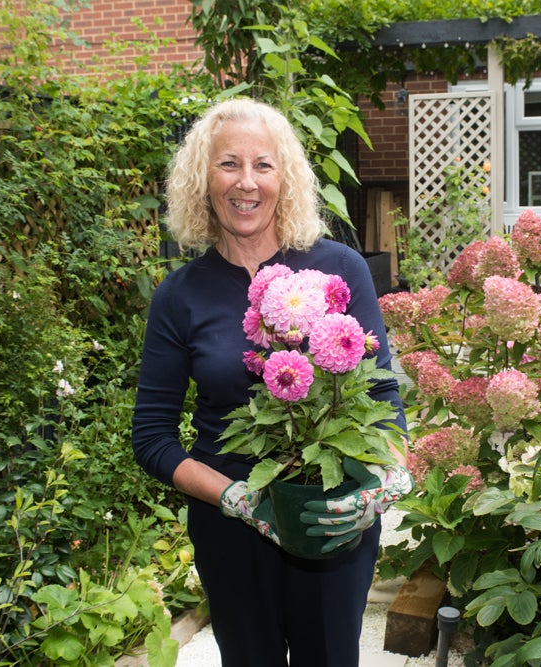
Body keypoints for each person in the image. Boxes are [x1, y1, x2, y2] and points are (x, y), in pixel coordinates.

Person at [131, 97, 412, 667]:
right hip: (230, 528)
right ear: (201, 178)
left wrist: (382, 486)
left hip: (332, 518)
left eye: (264, 164)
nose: (247, 182)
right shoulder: (180, 294)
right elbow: (152, 437)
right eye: (228, 163)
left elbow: (382, 398)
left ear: (286, 177)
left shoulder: (339, 271)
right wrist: (237, 499)